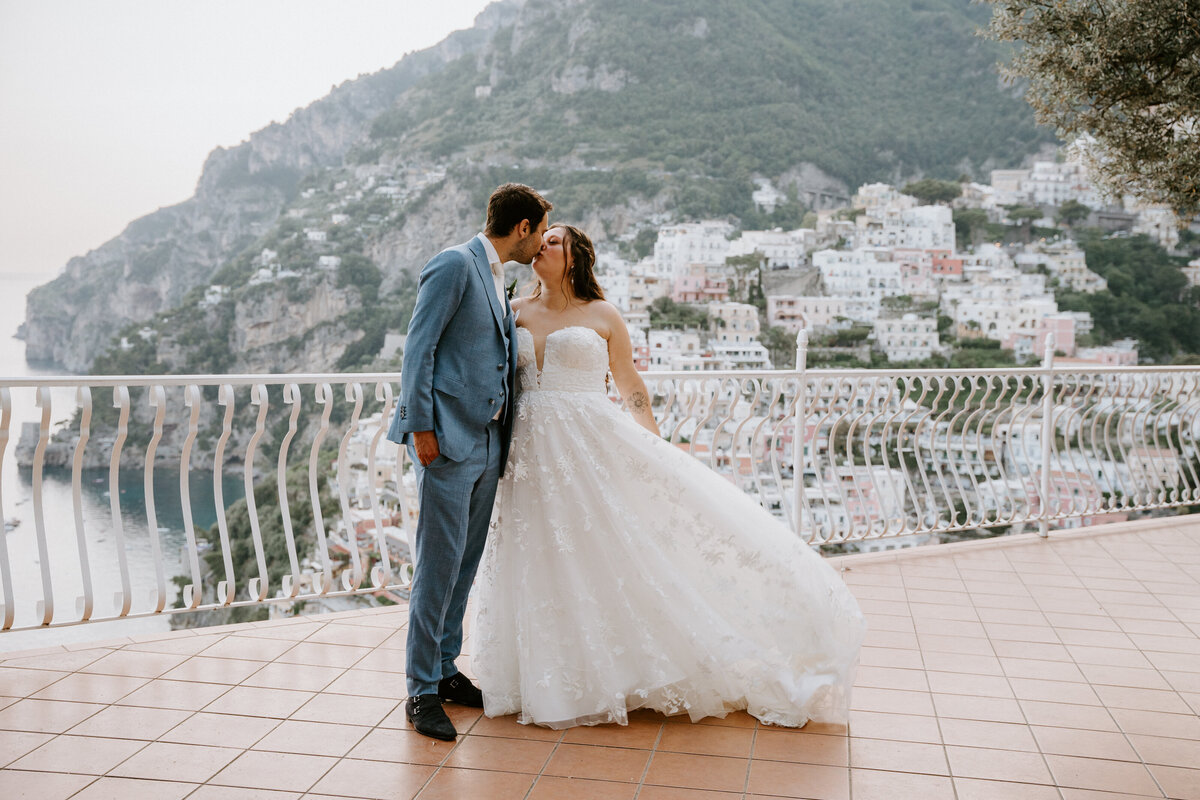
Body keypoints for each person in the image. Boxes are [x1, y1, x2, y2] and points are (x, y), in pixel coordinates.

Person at [471, 224, 866, 729]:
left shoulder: (603, 314)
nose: (541, 247)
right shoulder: (515, 313)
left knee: (604, 554)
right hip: (530, 456)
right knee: (540, 557)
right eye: (541, 240)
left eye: (554, 242)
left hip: (591, 449)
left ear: (574, 258)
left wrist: (653, 446)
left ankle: (623, 668)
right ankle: (548, 675)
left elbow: (630, 383)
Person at [386, 183, 551, 741]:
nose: (540, 246)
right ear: (523, 227)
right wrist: (420, 427)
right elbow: (419, 346)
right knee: (436, 564)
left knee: (464, 563)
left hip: (488, 443)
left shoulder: (499, 275)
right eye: (540, 232)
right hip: (447, 440)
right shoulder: (454, 264)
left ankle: (446, 668)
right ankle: (420, 691)